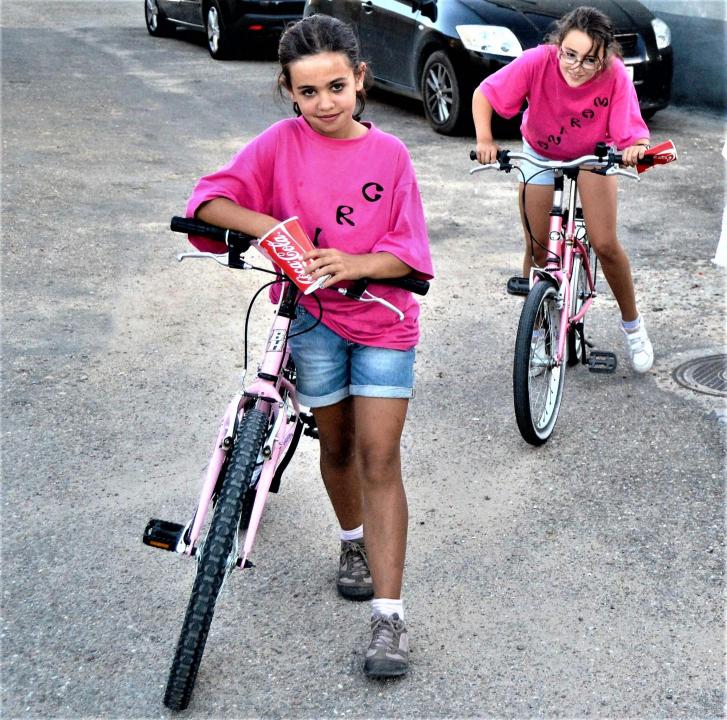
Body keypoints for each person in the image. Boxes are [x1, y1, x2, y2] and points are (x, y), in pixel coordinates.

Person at [185, 15, 433, 677]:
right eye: (308, 91)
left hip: (384, 321)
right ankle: (352, 542)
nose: (324, 103)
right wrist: (270, 226)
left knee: (379, 457)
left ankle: (388, 619)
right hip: (311, 322)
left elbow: (409, 253)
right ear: (288, 91)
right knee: (338, 445)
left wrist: (355, 263)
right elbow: (208, 202)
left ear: (360, 79)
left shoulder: (391, 156)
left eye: (336, 86)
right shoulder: (277, 144)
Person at [472, 5, 654, 373]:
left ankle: (633, 327)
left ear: (604, 58)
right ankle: (537, 330)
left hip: (593, 154)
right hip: (540, 151)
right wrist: (485, 139)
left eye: (590, 60)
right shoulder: (538, 61)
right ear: (558, 45)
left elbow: (635, 133)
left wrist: (636, 148)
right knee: (538, 245)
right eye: (569, 54)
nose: (577, 66)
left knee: (605, 243)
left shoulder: (614, 74)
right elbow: (484, 94)